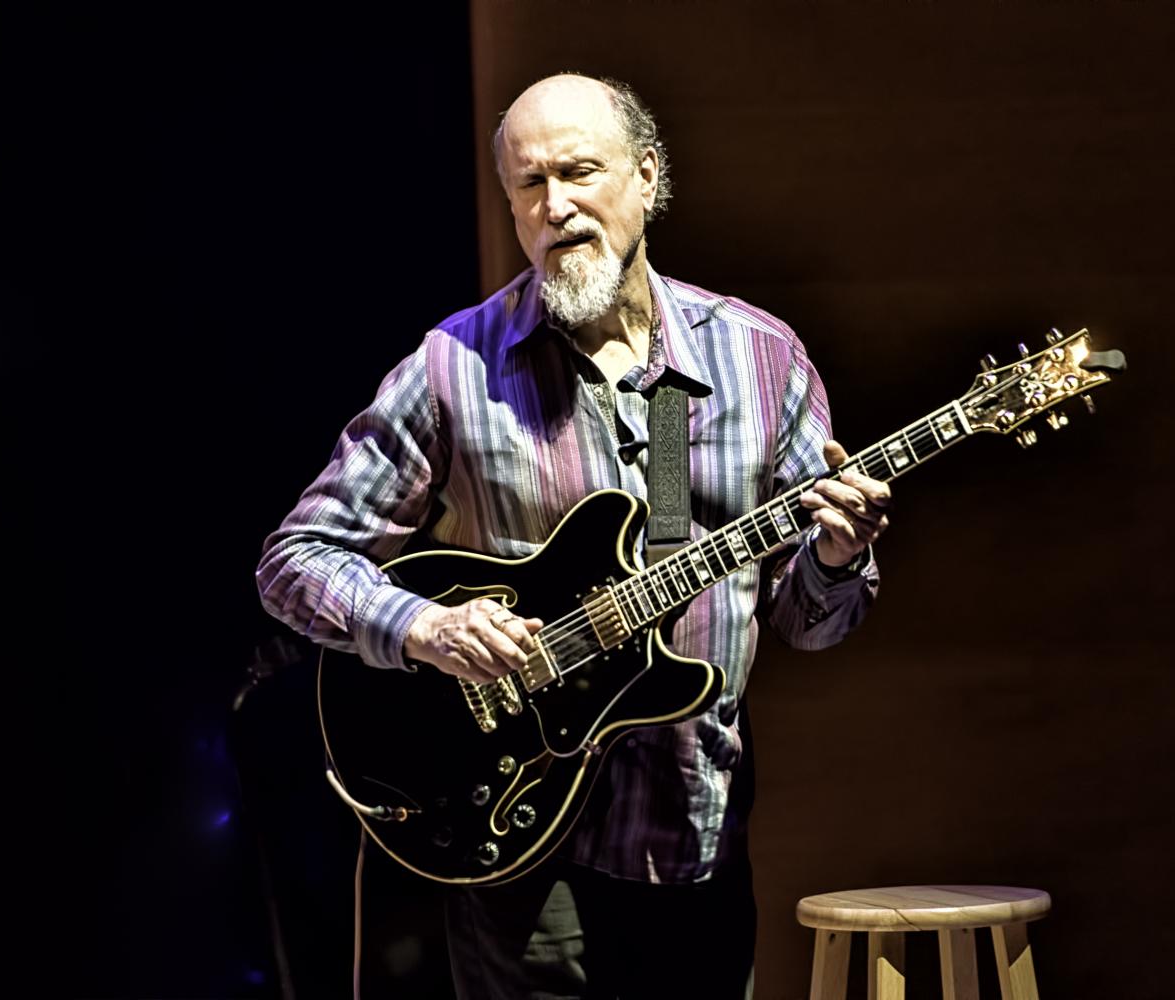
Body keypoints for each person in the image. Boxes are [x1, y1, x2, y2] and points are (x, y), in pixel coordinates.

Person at [257, 73, 891, 1000]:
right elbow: (294, 561)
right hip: (513, 823)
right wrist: (420, 628)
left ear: (646, 176)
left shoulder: (757, 358)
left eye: (579, 172)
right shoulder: (456, 365)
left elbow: (811, 625)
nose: (554, 206)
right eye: (527, 184)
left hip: (691, 825)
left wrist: (836, 557)